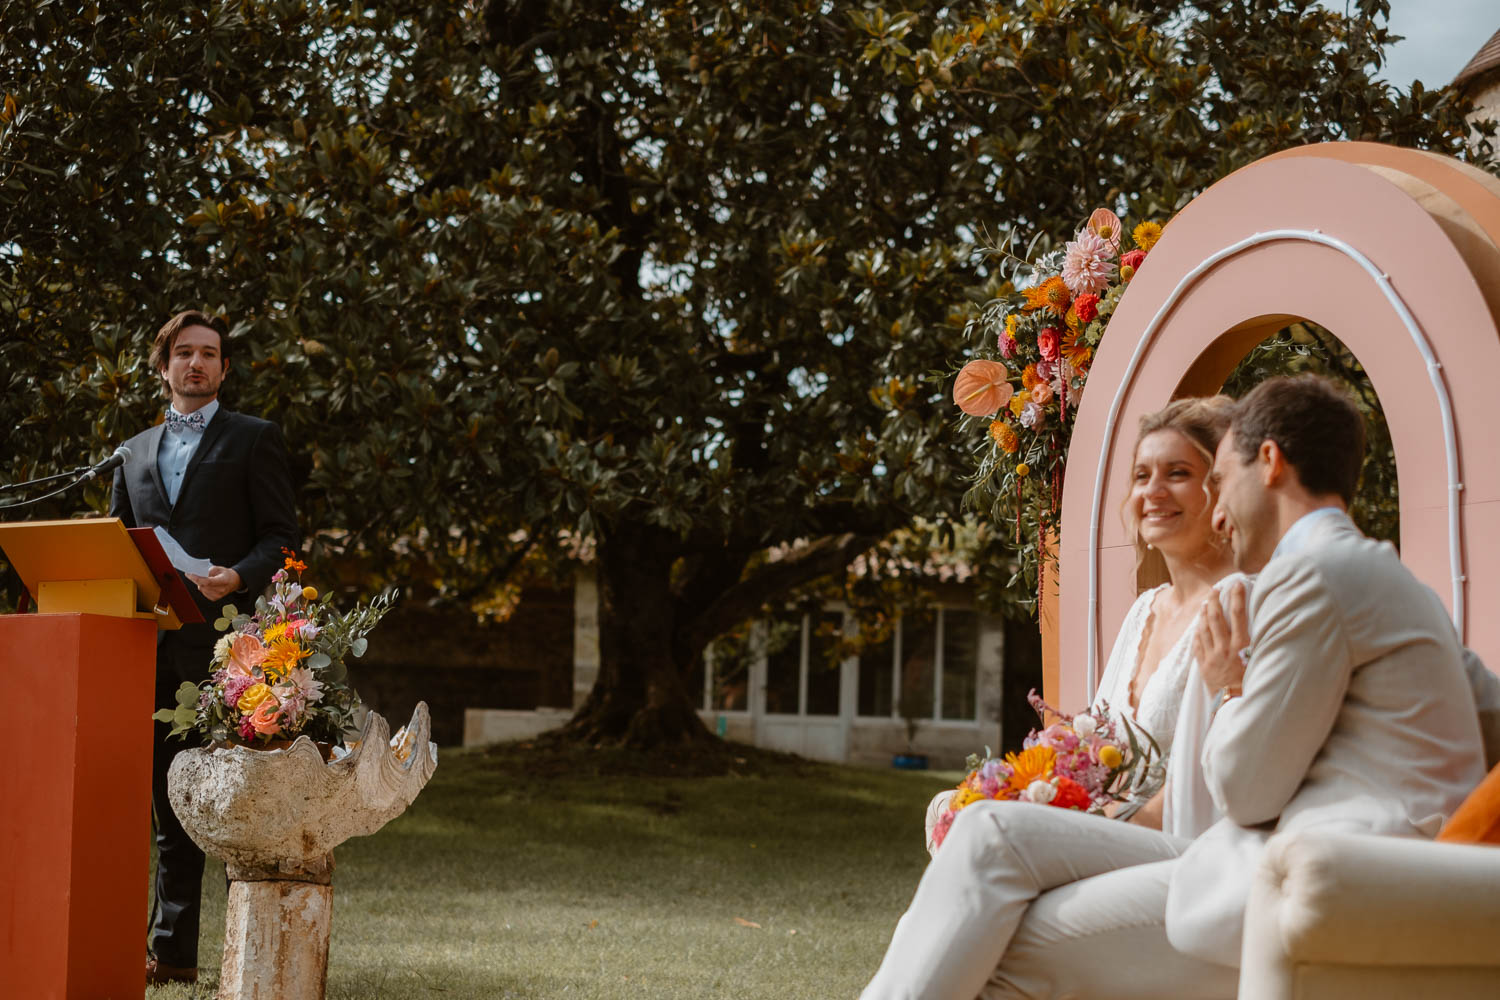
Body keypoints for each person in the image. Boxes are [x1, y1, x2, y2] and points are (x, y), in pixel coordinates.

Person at [863, 375, 1484, 1000]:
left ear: (1268, 462)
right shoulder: (1397, 585)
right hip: (1293, 862)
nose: (1218, 510)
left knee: (992, 928)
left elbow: (1246, 791)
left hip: (1313, 876)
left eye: (1219, 480)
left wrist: (1231, 687)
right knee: (986, 843)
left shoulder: (1309, 575)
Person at [924, 396, 1245, 851]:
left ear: (1222, 488)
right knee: (952, 807)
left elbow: (1223, 775)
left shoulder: (1240, 606)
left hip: (1176, 841)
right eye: (1141, 475)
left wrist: (1082, 822)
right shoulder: (1145, 610)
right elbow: (1090, 736)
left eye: (1177, 473)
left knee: (988, 832)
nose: (1152, 492)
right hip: (1104, 821)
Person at [110, 310, 298, 986]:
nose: (197, 364)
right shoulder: (129, 453)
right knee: (156, 809)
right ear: (162, 367)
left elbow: (281, 540)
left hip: (226, 656)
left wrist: (236, 577)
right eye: (184, 353)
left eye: (209, 354)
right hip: (141, 652)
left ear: (223, 368)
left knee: (218, 809)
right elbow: (116, 548)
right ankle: (174, 960)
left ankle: (253, 960)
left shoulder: (255, 439)